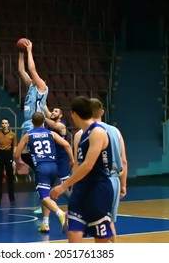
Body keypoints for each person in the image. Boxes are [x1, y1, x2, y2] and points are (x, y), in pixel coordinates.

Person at [50, 96, 114, 243]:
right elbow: (79, 165)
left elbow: (88, 165)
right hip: (81, 189)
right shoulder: (82, 134)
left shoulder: (98, 132)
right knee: (73, 233)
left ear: (74, 114)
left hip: (98, 188)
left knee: (101, 239)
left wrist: (63, 186)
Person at [14, 112, 74, 233]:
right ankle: (45, 224)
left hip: (41, 168)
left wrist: (17, 162)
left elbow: (16, 153)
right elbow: (67, 144)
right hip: (54, 166)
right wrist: (72, 160)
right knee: (46, 195)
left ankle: (60, 214)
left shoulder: (28, 135)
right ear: (43, 122)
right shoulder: (51, 133)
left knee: (44, 197)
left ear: (32, 122)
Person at [80, 98, 128, 242]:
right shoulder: (115, 131)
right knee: (109, 222)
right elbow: (124, 161)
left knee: (99, 226)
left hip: (96, 181)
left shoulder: (84, 132)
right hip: (114, 179)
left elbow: (80, 162)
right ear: (102, 112)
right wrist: (123, 184)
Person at [32, 105, 72, 215]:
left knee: (63, 189)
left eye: (55, 111)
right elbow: (45, 108)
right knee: (46, 184)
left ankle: (75, 205)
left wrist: (41, 118)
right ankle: (45, 205)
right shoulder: (50, 124)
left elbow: (54, 124)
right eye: (52, 111)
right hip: (52, 161)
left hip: (62, 162)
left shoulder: (61, 126)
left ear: (61, 115)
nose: (52, 112)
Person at [17, 39, 48, 168]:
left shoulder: (42, 87)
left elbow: (31, 69)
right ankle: (37, 168)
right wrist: (21, 52)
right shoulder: (31, 85)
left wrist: (29, 51)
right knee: (23, 153)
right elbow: (21, 70)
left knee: (31, 151)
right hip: (27, 122)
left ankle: (42, 167)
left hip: (35, 123)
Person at [0, 118, 17, 206]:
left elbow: (14, 147)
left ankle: (12, 199)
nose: (4, 125)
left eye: (6, 123)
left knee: (10, 178)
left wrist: (14, 160)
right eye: (2, 123)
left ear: (8, 124)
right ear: (1, 124)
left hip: (9, 155)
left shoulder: (13, 135)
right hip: (0, 155)